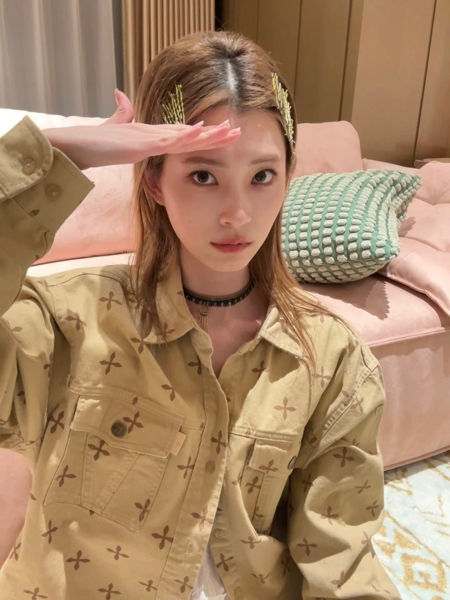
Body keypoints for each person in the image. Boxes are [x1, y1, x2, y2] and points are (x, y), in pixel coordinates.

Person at [0, 30, 400, 600]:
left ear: (288, 176)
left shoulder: (331, 359)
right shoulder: (68, 320)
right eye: (204, 175)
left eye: (262, 176)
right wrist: (52, 153)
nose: (238, 213)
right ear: (155, 180)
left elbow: (341, 560)